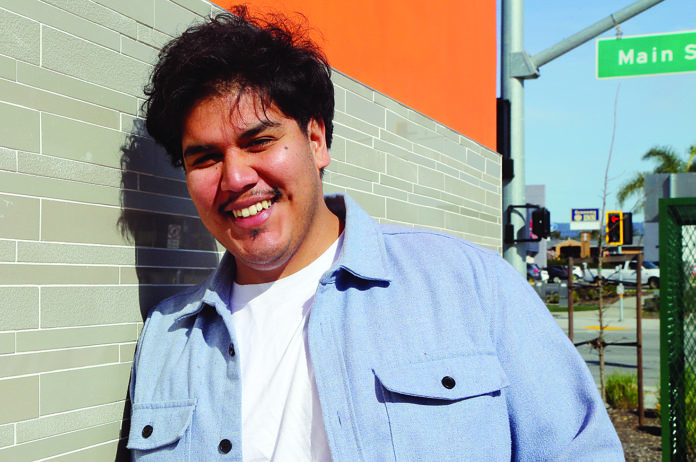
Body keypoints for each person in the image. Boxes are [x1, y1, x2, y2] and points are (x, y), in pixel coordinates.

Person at [126, 6, 624, 461]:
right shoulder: (168, 338)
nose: (235, 178)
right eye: (206, 158)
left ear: (316, 140)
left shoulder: (467, 284)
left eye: (259, 141)